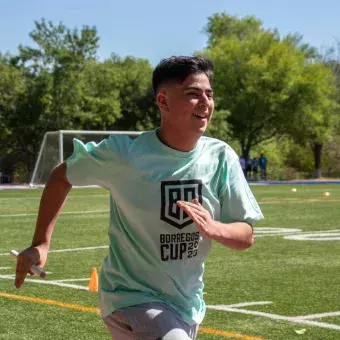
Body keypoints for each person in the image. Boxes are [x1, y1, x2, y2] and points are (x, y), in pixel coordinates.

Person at [14, 56, 264, 340]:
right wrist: (41, 243)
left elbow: (246, 236)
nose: (205, 103)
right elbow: (61, 177)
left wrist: (215, 228)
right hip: (129, 298)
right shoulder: (125, 153)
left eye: (209, 94)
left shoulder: (220, 157)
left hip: (187, 305)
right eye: (193, 94)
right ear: (163, 101)